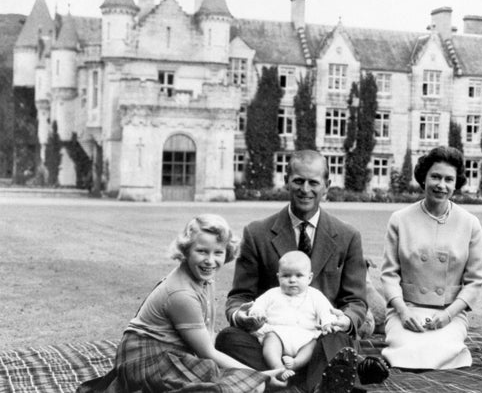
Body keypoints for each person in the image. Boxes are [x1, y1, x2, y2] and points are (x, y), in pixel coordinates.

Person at [215, 149, 389, 392]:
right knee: (227, 339)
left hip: (321, 340)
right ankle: (322, 382)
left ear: (326, 186)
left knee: (340, 340)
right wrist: (241, 316)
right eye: (298, 181)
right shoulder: (257, 234)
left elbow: (356, 301)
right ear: (287, 181)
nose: (305, 189)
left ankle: (287, 385)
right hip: (270, 342)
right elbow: (239, 297)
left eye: (313, 182)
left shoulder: (348, 236)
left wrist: (345, 319)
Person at [77, 214, 284, 393]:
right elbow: (207, 352)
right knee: (227, 385)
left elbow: (208, 334)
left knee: (225, 375)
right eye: (202, 251)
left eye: (218, 252)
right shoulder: (181, 293)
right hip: (145, 358)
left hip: (171, 354)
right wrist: (259, 376)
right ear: (185, 250)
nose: (210, 261)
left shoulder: (204, 278)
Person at [380, 146, 482, 369]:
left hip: (449, 312)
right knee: (408, 351)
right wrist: (403, 311)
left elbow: (475, 281)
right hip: (407, 309)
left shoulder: (470, 223)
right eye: (435, 177)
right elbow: (389, 275)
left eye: (449, 179)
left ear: (456, 183)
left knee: (441, 352)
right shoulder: (400, 219)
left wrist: (448, 315)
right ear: (424, 178)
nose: (441, 185)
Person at [249, 251, 338, 382]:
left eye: (299, 275)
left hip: (305, 336)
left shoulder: (315, 295)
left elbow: (326, 311)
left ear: (309, 278)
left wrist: (327, 323)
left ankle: (296, 363)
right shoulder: (272, 294)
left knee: (313, 344)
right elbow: (258, 305)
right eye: (286, 276)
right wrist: (257, 312)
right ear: (278, 277)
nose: (292, 280)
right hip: (278, 333)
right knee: (270, 341)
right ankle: (278, 368)